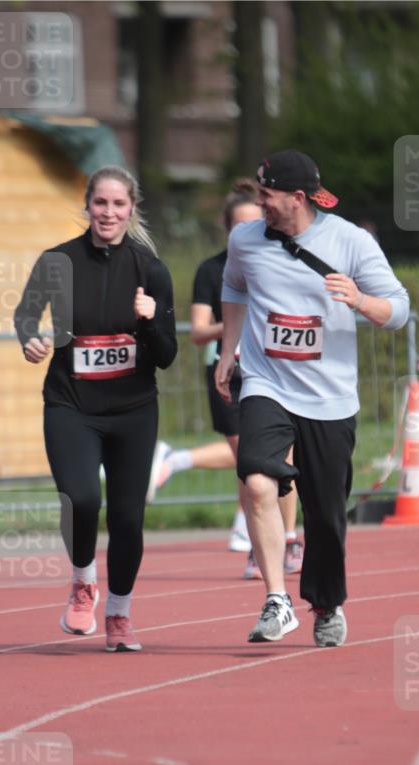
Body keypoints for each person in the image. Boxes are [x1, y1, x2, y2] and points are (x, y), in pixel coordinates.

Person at [215, 150, 409, 645]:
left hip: (329, 398)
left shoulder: (351, 241)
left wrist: (361, 300)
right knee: (257, 479)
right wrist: (228, 350)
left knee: (326, 516)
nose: (258, 202)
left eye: (266, 194)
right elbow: (234, 288)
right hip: (266, 383)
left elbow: (400, 310)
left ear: (297, 198)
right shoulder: (245, 240)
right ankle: (276, 600)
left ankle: (326, 603)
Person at [15, 164, 176, 652]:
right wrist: (30, 339)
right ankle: (84, 580)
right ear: (87, 206)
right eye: (100, 203)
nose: (108, 212)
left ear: (132, 209)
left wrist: (149, 322)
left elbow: (166, 355)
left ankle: (120, 615)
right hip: (71, 404)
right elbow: (26, 313)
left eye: (118, 204)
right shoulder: (56, 261)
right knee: (81, 499)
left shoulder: (150, 269)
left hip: (133, 410)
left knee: (128, 518)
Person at [149, 178, 303, 577]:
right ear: (228, 228)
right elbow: (199, 331)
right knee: (249, 462)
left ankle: (288, 538)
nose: (251, 231)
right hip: (227, 369)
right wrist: (238, 318)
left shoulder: (284, 257)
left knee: (282, 458)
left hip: (274, 367)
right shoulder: (212, 269)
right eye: (240, 225)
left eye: (257, 220)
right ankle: (259, 541)